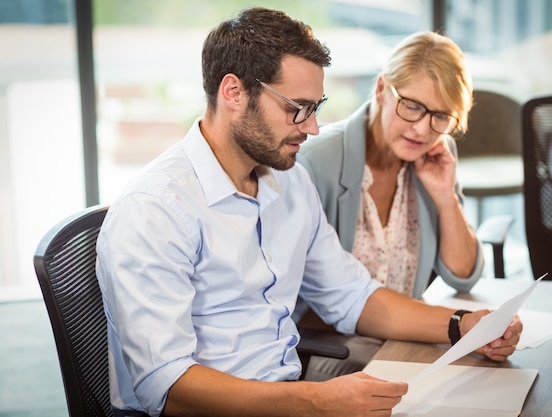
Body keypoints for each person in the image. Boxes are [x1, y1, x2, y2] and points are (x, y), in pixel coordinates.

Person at [96, 8, 522, 417]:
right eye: (297, 109)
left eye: (316, 108)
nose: (313, 127)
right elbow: (166, 386)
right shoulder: (155, 210)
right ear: (233, 92)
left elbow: (353, 295)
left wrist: (462, 326)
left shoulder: (289, 183)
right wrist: (314, 403)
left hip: (289, 394)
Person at [296, 31, 486, 381]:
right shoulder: (314, 162)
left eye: (441, 116)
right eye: (412, 106)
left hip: (405, 339)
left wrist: (445, 197)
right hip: (332, 352)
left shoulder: (432, 155)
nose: (422, 129)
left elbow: (463, 273)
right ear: (382, 89)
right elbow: (312, 299)